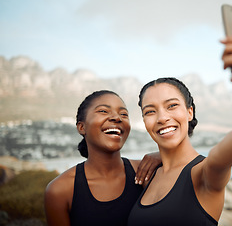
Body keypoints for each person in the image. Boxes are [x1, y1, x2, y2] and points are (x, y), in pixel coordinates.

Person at [128, 31, 232, 225]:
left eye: (172, 106)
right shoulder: (147, 174)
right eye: (150, 111)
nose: (162, 117)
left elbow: (220, 157)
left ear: (189, 112)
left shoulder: (204, 173)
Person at [44, 90, 161, 226]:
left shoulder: (146, 171)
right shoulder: (59, 190)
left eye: (123, 114)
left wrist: (164, 156)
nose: (117, 118)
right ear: (82, 127)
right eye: (103, 111)